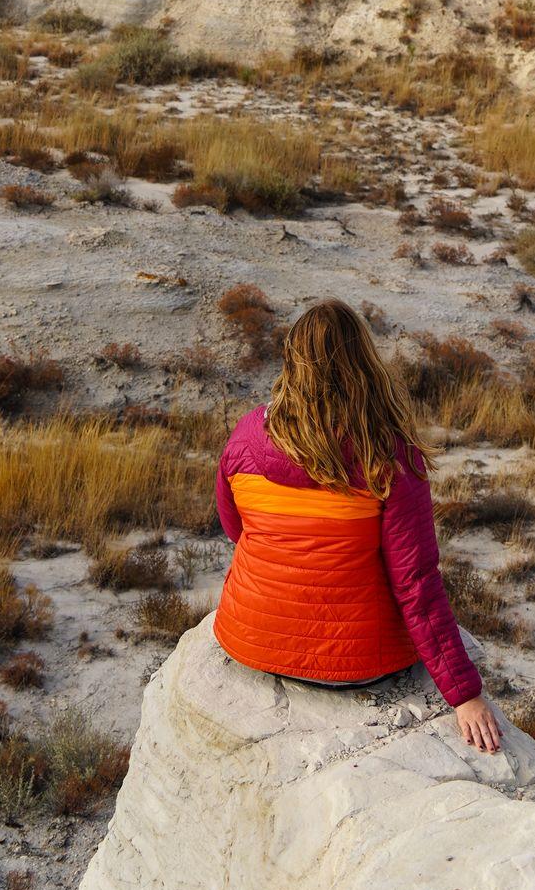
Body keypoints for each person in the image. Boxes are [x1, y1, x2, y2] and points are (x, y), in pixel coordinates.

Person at [212, 297, 501, 752]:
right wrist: (464, 695)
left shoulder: (247, 435)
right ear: (363, 364)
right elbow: (416, 584)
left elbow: (236, 529)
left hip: (251, 644)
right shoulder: (386, 454)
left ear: (291, 361)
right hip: (356, 665)